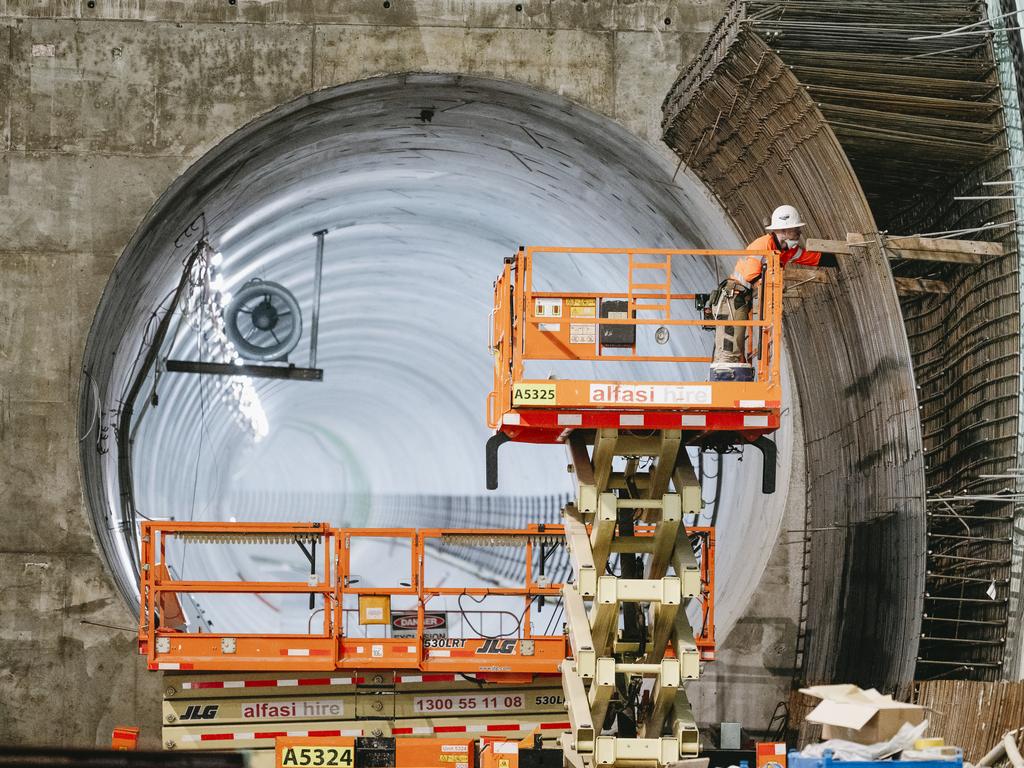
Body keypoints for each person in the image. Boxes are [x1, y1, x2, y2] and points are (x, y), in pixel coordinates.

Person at [710, 204, 838, 382]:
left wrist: (837, 260)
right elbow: (752, 275)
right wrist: (774, 286)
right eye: (796, 230)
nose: (799, 233)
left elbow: (810, 258)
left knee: (737, 352)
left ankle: (729, 389)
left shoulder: (786, 251)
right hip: (733, 299)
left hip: (741, 300)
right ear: (784, 230)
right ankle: (722, 393)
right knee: (729, 349)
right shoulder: (762, 245)